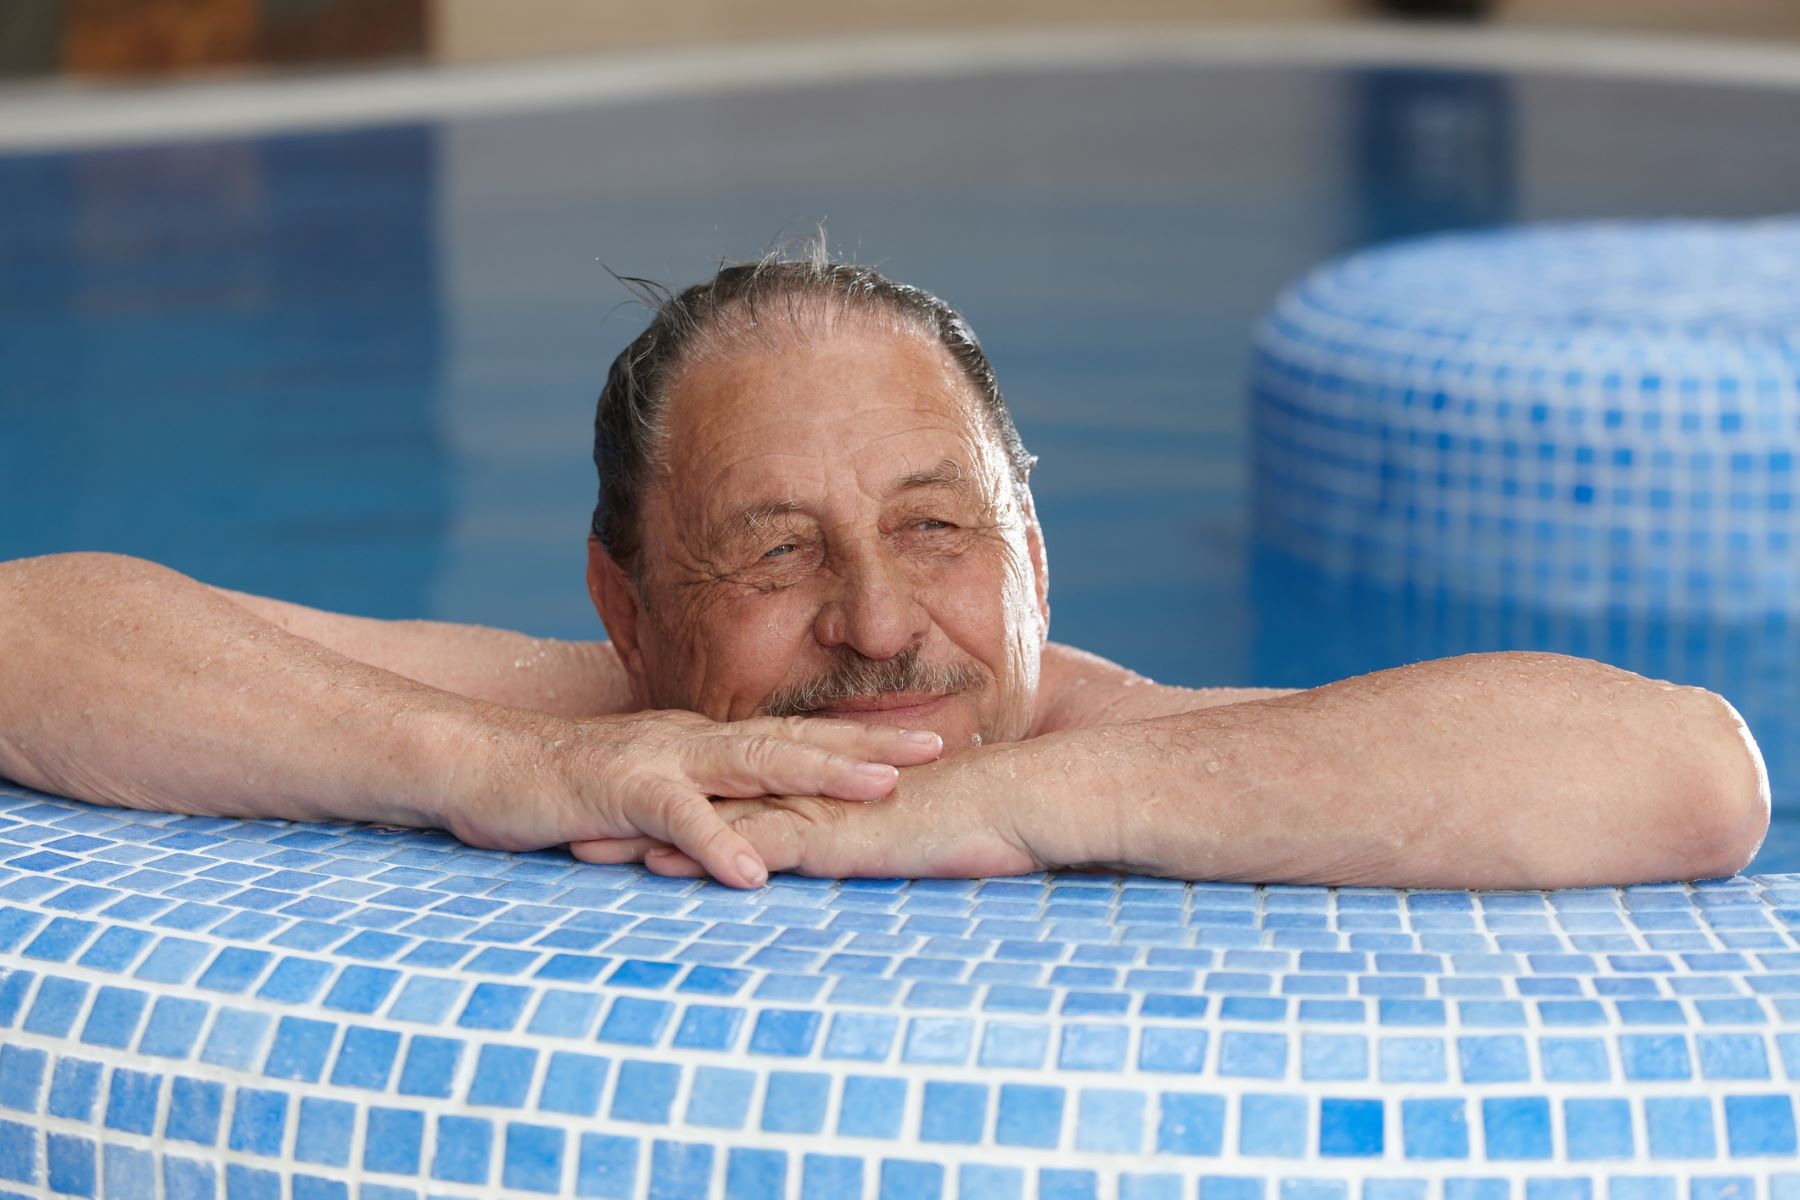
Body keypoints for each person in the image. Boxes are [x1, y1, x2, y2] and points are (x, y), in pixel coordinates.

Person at [0, 251, 1770, 891]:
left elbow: (1694, 775)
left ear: (1036, 559)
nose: (876, 620)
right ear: (628, 609)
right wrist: (500, 772)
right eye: (777, 551)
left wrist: (1037, 805)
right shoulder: (581, 721)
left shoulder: (1103, 735)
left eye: (938, 530)